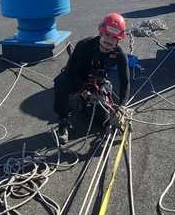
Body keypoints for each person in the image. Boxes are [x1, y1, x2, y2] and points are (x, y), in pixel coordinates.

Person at [53, 12, 130, 144]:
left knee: (102, 122)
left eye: (114, 37)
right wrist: (82, 90)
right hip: (78, 77)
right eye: (107, 35)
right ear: (101, 32)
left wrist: (122, 106)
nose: (109, 40)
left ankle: (87, 106)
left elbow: (125, 81)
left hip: (97, 81)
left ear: (119, 39)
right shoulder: (84, 45)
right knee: (61, 82)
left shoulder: (119, 55)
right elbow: (71, 70)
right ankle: (63, 121)